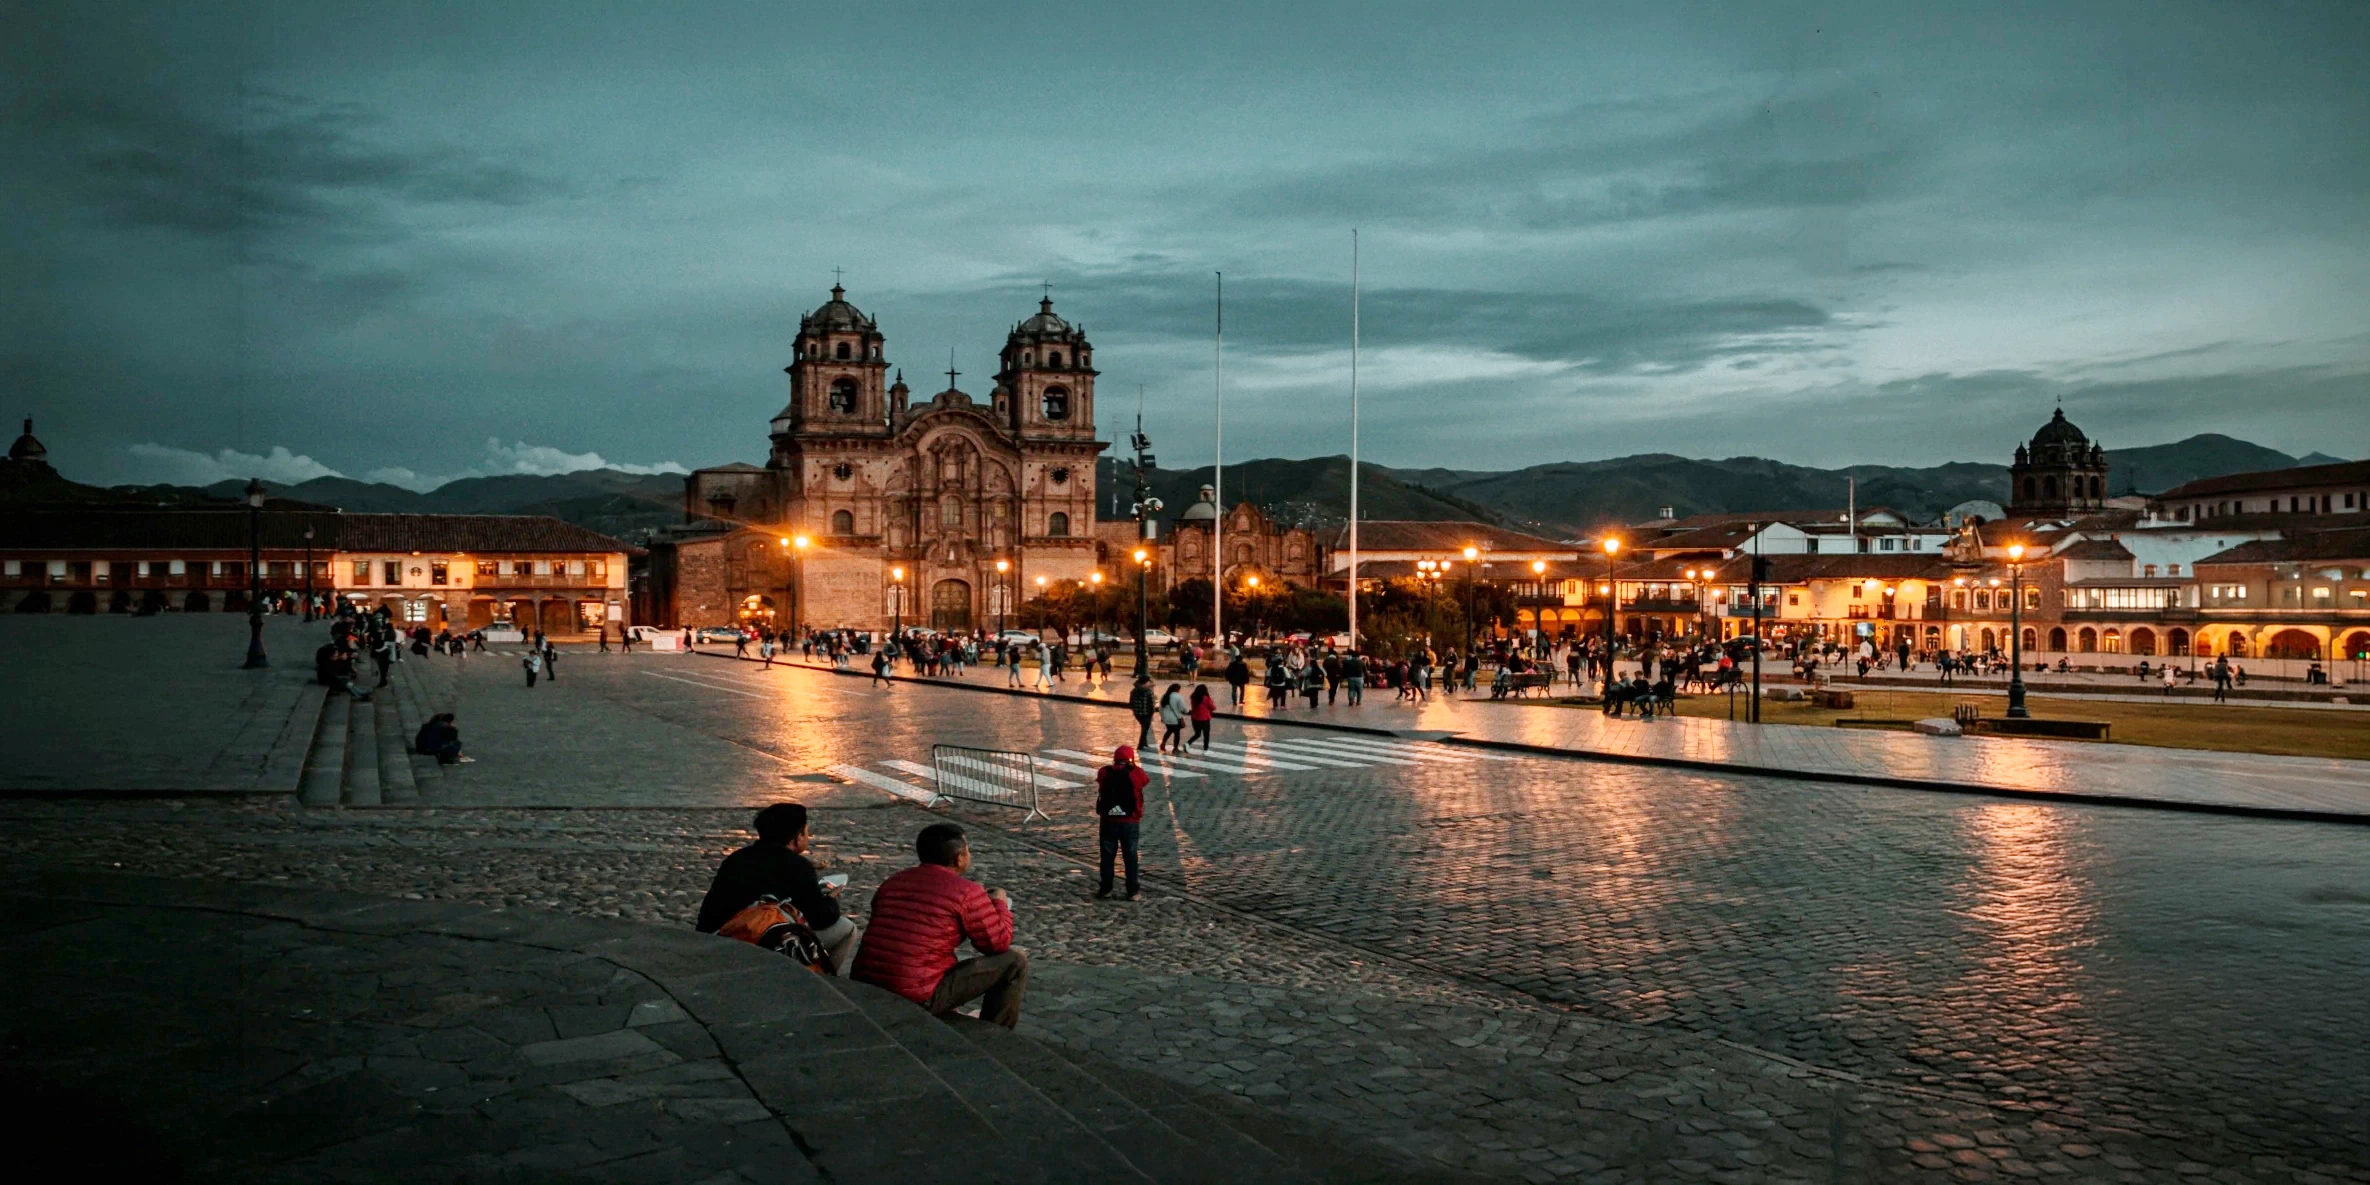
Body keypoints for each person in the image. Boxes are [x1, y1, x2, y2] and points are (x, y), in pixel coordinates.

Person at [850, 824, 1026, 1029]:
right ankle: (996, 1035)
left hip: (866, 986)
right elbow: (998, 944)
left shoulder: (893, 882)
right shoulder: (967, 892)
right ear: (959, 857)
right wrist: (1000, 904)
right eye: (967, 850)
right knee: (1014, 962)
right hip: (915, 995)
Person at [696, 803, 861, 975]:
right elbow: (821, 918)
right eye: (806, 832)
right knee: (847, 929)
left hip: (718, 937)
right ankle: (821, 981)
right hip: (757, 942)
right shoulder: (797, 866)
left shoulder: (737, 858)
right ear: (797, 837)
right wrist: (831, 899)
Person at [1093, 746, 1147, 900]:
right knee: (1130, 856)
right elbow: (1145, 780)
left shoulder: (1104, 772)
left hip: (1108, 820)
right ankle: (1132, 891)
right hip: (1130, 821)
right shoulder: (1136, 773)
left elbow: (1100, 781)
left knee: (1107, 856)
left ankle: (1106, 889)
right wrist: (1133, 766)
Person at [1157, 682, 1189, 753]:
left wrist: (1162, 717)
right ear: (1177, 689)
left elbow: (1160, 708)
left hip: (1166, 718)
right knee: (1177, 733)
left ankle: (1163, 743)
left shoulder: (1164, 695)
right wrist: (1187, 711)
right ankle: (1175, 748)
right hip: (1175, 719)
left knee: (1169, 731)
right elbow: (1182, 708)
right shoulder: (1177, 696)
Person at [1127, 674, 1157, 748]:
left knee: (1144, 727)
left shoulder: (1133, 690)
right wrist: (1152, 713)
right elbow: (1151, 703)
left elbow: (1131, 702)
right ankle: (1140, 744)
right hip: (1147, 713)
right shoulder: (1148, 691)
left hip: (1137, 713)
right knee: (1145, 729)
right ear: (1145, 682)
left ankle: (1144, 743)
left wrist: (1134, 709)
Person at [1188, 684, 1216, 750]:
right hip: (1204, 719)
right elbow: (1213, 707)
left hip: (1194, 718)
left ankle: (1188, 743)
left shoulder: (1193, 697)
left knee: (1197, 734)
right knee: (1206, 735)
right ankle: (1205, 749)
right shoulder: (1206, 698)